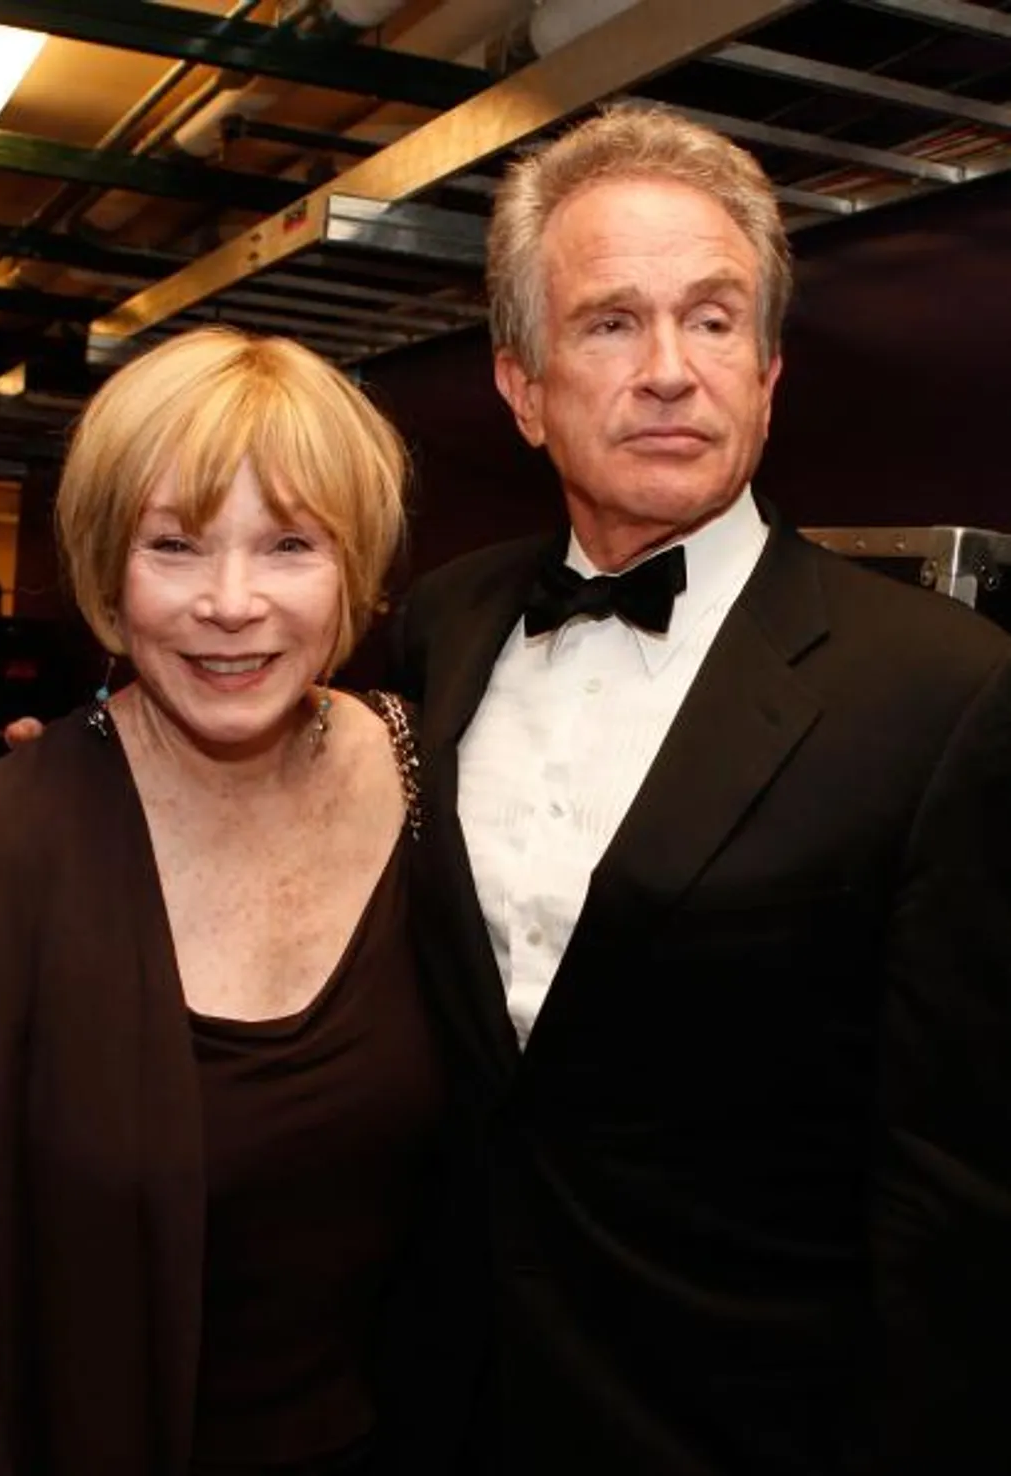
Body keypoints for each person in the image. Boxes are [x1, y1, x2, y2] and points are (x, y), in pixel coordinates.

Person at [391, 105, 1011, 1474]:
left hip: (740, 1426)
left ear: (772, 371)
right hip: (434, 1399)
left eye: (715, 320)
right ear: (520, 383)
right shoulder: (441, 624)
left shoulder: (948, 691)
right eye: (611, 322)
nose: (671, 370)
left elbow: (959, 1194)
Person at [0, 326, 444, 1476]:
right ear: (106, 573)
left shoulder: (426, 777)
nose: (232, 603)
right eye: (173, 545)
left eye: (288, 544)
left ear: (354, 565)